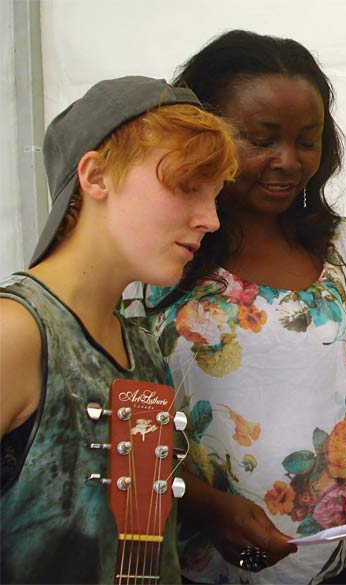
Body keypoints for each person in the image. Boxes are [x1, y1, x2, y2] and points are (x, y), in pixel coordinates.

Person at [134, 30, 346, 584]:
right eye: (261, 139)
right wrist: (210, 508)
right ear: (203, 134)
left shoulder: (341, 245)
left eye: (307, 140)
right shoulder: (160, 256)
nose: (288, 161)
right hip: (215, 562)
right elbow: (129, 426)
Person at [0, 76, 237, 583]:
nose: (211, 219)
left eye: (215, 196)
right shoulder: (16, 334)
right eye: (189, 185)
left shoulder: (141, 349)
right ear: (96, 176)